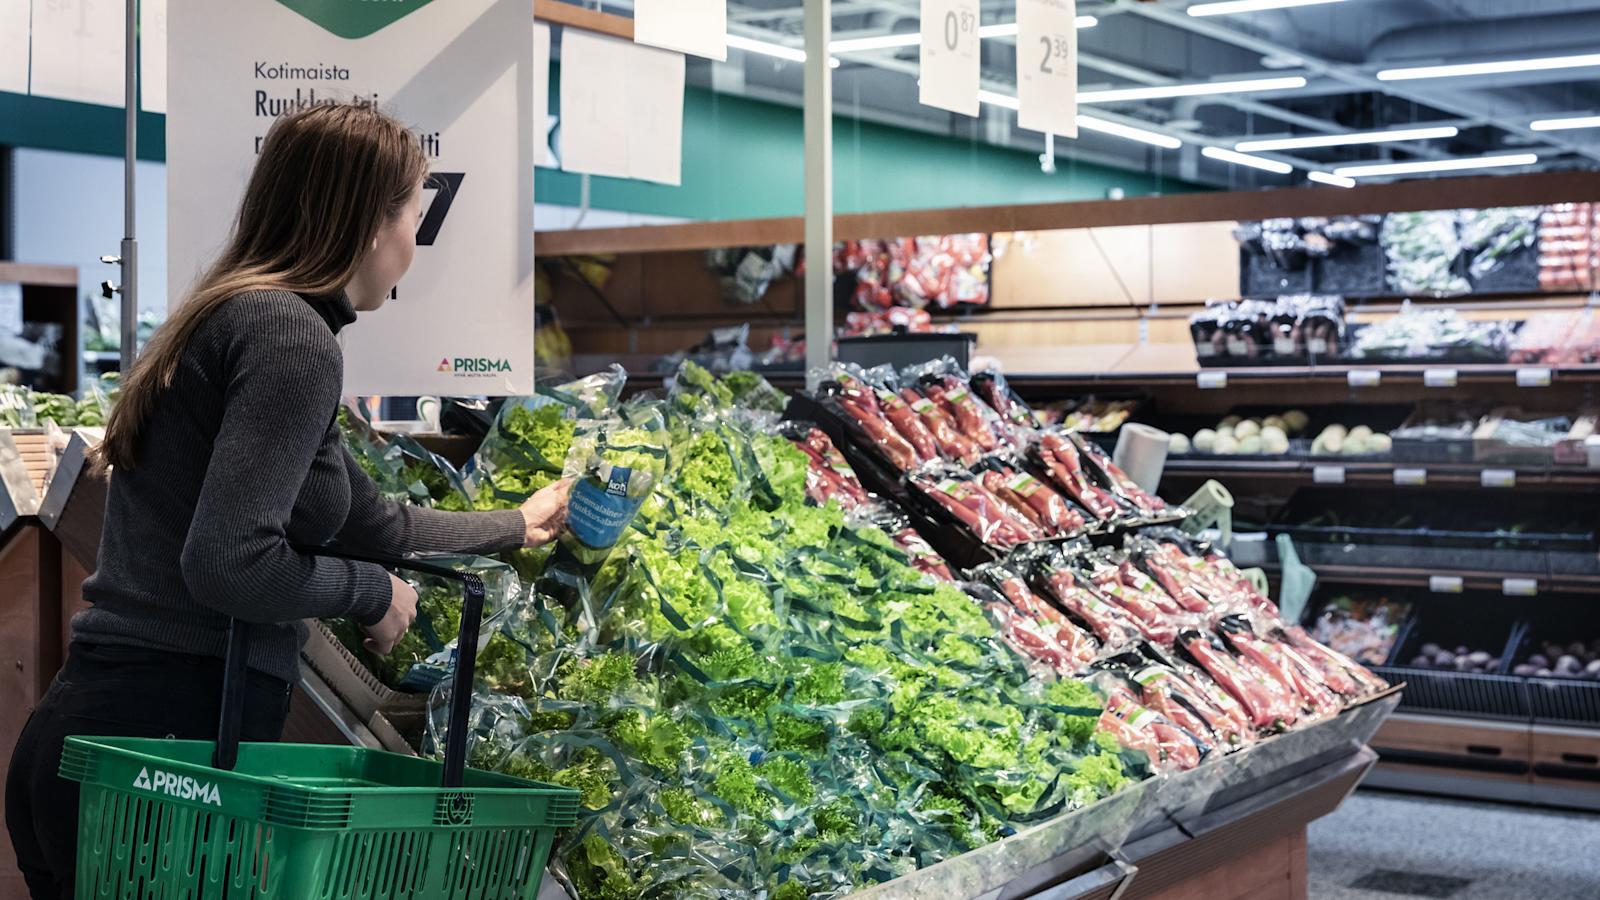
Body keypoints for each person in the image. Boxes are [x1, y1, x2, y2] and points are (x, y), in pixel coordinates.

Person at [4, 103, 571, 899]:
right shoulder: (291, 339)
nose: (416, 244)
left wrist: (514, 525)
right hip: (170, 754)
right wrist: (369, 592)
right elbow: (231, 565)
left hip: (109, 740)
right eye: (415, 216)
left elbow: (368, 520)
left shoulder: (241, 314)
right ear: (370, 225)